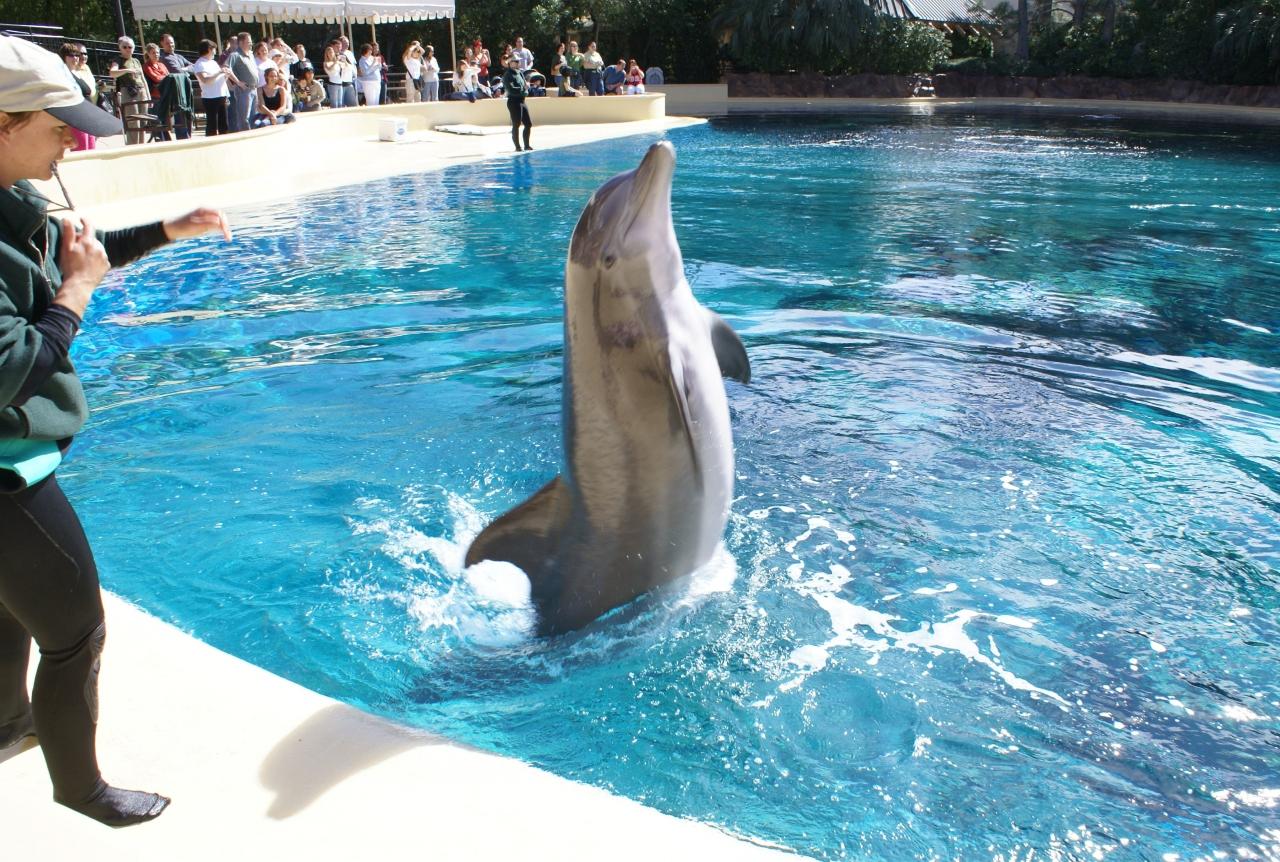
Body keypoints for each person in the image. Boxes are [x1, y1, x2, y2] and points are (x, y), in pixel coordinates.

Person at [0, 34, 232, 828]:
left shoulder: (11, 199)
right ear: (4, 123)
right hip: (6, 475)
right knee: (76, 634)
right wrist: (76, 293)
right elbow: (13, 365)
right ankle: (82, 790)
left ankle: (7, 726)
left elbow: (76, 255)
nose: (74, 141)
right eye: (57, 126)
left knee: (9, 607)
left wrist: (165, 230)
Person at [58, 44, 96, 150]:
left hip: (88, 115)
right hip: (77, 117)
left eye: (76, 55)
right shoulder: (64, 74)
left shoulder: (77, 73)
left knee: (92, 149)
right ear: (64, 57)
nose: (75, 58)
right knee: (82, 149)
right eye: (71, 55)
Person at [108, 37, 145, 145]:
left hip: (141, 91)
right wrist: (127, 70)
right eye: (125, 47)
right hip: (128, 92)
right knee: (133, 121)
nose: (128, 49)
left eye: (130, 47)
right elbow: (112, 73)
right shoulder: (118, 60)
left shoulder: (136, 61)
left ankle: (142, 146)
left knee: (144, 121)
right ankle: (133, 147)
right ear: (120, 48)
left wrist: (147, 95)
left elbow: (143, 79)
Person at [191, 38, 229, 135]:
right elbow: (205, 79)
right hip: (210, 97)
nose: (215, 52)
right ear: (209, 49)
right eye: (214, 49)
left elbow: (219, 79)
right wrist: (219, 72)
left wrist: (226, 75)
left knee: (223, 124)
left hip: (221, 95)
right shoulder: (200, 64)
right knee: (212, 124)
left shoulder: (213, 62)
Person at [158, 34, 193, 139]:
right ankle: (183, 139)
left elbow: (194, 66)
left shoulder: (179, 57)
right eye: (167, 43)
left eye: (172, 42)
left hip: (186, 90)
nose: (170, 45)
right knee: (180, 117)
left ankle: (188, 137)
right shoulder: (164, 58)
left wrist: (185, 69)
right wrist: (186, 70)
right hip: (176, 94)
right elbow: (177, 71)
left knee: (187, 115)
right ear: (162, 44)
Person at [225, 32, 258, 132]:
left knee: (253, 117)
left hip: (254, 89)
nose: (251, 44)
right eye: (249, 42)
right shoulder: (235, 55)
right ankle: (245, 137)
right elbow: (226, 68)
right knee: (244, 118)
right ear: (241, 43)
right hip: (244, 90)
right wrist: (238, 82)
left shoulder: (250, 54)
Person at [502, 54, 532, 152]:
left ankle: (527, 145)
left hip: (522, 100)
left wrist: (526, 88)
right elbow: (511, 89)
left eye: (518, 61)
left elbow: (524, 85)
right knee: (516, 124)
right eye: (516, 61)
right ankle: (517, 146)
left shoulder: (520, 72)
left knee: (528, 123)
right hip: (513, 101)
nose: (518, 63)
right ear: (510, 63)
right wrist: (523, 88)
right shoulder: (507, 75)